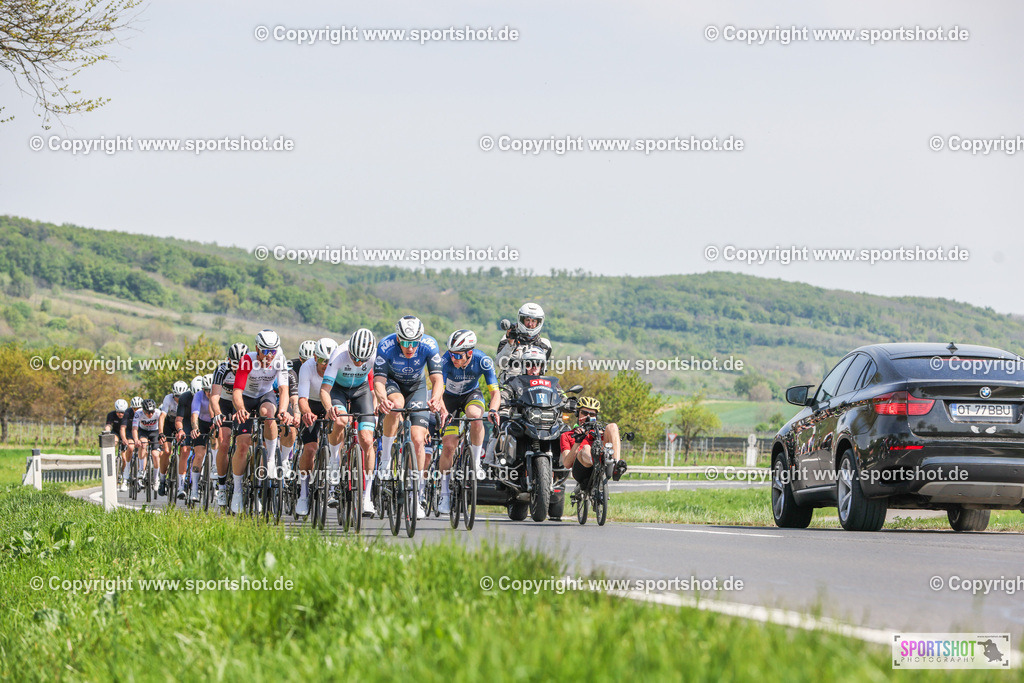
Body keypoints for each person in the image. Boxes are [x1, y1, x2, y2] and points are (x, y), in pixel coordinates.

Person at [373, 316, 446, 519]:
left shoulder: (429, 345)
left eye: (414, 343)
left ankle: (418, 493)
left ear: (420, 340)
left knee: (417, 440)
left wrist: (436, 398)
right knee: (396, 405)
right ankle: (386, 459)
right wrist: (381, 399)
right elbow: (378, 380)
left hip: (417, 387)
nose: (410, 347)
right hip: (393, 384)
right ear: (397, 338)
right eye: (405, 342)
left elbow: (437, 378)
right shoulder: (386, 345)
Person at [229, 330, 293, 514]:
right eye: (264, 351)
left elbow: (283, 390)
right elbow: (237, 391)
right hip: (246, 398)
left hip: (265, 395)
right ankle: (238, 491)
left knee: (269, 414)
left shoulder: (279, 359)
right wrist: (241, 409)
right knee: (242, 444)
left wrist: (283, 411)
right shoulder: (247, 360)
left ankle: (271, 460)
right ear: (257, 348)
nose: (268, 356)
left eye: (272, 351)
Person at [438, 329, 499, 515]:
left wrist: (494, 410)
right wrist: (443, 411)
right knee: (448, 446)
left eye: (458, 355)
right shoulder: (445, 362)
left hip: (471, 395)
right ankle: (444, 492)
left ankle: (475, 462)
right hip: (448, 399)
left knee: (475, 416)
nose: (454, 358)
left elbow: (495, 393)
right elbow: (438, 392)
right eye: (451, 353)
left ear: (469, 353)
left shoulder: (483, 360)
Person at [318, 329, 377, 515]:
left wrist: (376, 407)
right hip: (338, 390)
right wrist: (329, 408)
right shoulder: (339, 355)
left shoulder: (374, 355)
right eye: (354, 358)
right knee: (341, 421)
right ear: (349, 349)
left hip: (361, 390)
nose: (358, 362)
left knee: (367, 440)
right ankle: (335, 463)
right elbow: (324, 390)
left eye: (362, 360)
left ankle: (367, 498)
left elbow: (378, 384)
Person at [294, 337, 337, 515]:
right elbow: (301, 398)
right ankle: (303, 494)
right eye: (321, 360)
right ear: (314, 357)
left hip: (330, 404)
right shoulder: (307, 367)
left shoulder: (338, 366)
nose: (325, 365)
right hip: (311, 404)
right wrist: (306, 413)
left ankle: (333, 488)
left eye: (329, 361)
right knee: (310, 449)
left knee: (337, 443)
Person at [559, 396, 628, 497]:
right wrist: (578, 442)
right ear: (577, 413)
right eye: (584, 413)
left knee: (612, 426)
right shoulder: (567, 435)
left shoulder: (599, 433)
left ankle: (615, 465)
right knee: (586, 448)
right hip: (581, 470)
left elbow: (610, 436)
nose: (587, 417)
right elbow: (567, 463)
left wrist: (602, 433)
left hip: (602, 464)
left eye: (592, 414)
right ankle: (595, 461)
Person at [210, 342, 247, 508]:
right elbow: (214, 397)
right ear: (228, 360)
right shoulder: (222, 369)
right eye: (234, 364)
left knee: (244, 442)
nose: (237, 368)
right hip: (225, 403)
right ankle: (222, 485)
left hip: (242, 403)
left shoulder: (251, 367)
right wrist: (217, 413)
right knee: (224, 442)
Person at [495, 302, 552, 382]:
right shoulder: (507, 339)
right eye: (527, 320)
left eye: (533, 321)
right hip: (510, 387)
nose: (530, 324)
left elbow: (542, 371)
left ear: (538, 322)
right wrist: (510, 343)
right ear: (522, 320)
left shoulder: (545, 345)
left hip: (532, 387)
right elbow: (500, 364)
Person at [188, 374, 216, 503]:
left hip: (215, 421)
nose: (209, 393)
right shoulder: (199, 395)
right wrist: (195, 428)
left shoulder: (218, 394)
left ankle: (215, 468)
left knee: (218, 438)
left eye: (211, 390)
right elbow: (194, 414)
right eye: (206, 390)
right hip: (201, 423)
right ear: (203, 389)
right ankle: (194, 488)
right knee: (199, 454)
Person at [157, 380, 188, 496]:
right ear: (173, 394)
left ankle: (181, 482)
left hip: (182, 424)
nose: (179, 399)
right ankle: (162, 479)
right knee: (166, 451)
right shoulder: (168, 399)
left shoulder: (188, 398)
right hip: (169, 424)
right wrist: (161, 433)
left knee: (184, 452)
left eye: (181, 397)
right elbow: (162, 417)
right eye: (176, 396)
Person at [131, 398, 164, 492]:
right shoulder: (138, 413)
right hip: (143, 431)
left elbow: (162, 426)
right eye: (148, 412)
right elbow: (134, 428)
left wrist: (162, 438)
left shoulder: (158, 412)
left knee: (155, 454)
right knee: (143, 444)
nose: (150, 414)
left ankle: (156, 478)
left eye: (151, 412)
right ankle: (141, 470)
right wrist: (136, 440)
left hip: (155, 432)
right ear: (143, 410)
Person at [118, 396, 143, 491]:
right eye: (134, 408)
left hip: (140, 432)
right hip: (130, 432)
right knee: (131, 447)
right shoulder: (128, 412)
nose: (136, 410)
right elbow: (123, 428)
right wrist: (124, 438)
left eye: (138, 408)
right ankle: (126, 475)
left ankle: (142, 473)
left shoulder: (144, 412)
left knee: (144, 447)